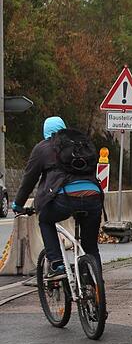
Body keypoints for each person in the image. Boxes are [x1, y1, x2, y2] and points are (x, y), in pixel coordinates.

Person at [12, 116, 104, 279]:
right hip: (93, 196)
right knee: (90, 247)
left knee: (45, 220)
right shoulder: (80, 144)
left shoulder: (43, 148)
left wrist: (18, 204)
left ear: (45, 132)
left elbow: (29, 179)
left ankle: (57, 263)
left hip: (65, 198)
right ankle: (96, 289)